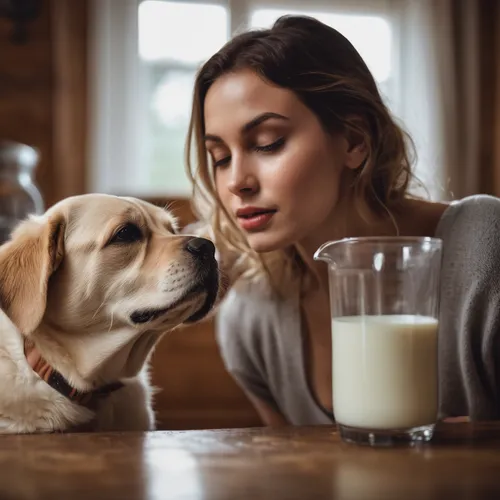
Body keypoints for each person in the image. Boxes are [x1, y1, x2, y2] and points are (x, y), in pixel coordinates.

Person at [184, 15, 500, 426]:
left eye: (268, 143)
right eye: (220, 158)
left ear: (354, 140)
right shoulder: (252, 317)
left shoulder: (486, 251)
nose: (236, 182)